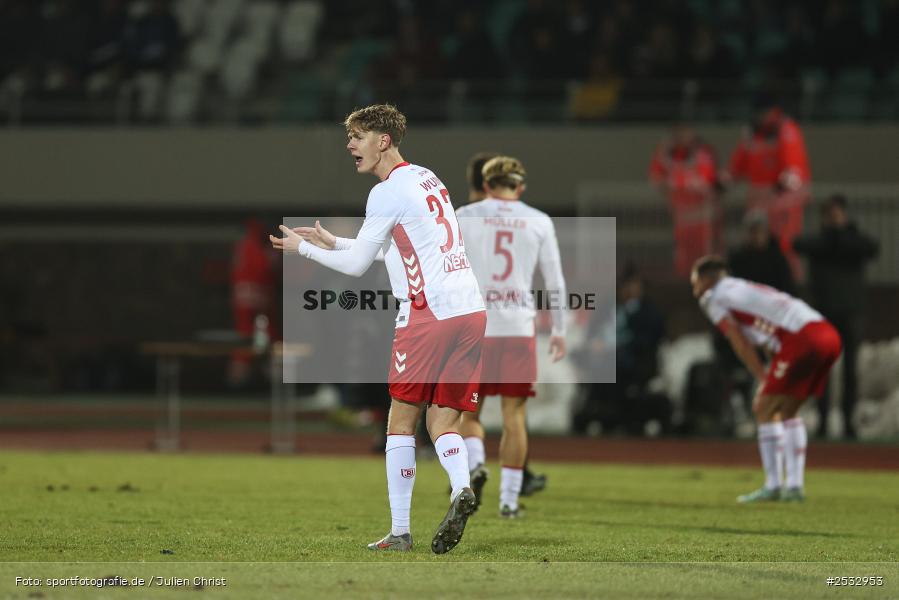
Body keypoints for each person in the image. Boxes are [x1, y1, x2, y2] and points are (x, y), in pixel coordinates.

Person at [270, 104, 485, 554]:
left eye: (359, 135)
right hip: (470, 310)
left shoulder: (385, 192)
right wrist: (335, 240)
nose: (350, 144)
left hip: (428, 314)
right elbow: (402, 249)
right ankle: (461, 487)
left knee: (400, 422)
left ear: (383, 140)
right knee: (444, 418)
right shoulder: (427, 178)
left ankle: (401, 532)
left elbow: (355, 267)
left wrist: (302, 252)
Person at [455, 155, 567, 518]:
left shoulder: (465, 216)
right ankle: (508, 501)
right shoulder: (538, 220)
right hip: (518, 328)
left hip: (476, 326)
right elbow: (555, 281)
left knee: (467, 413)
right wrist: (561, 330)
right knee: (514, 416)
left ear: (485, 186)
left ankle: (473, 469)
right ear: (520, 187)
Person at [691, 256, 842, 503]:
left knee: (763, 406)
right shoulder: (743, 287)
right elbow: (769, 337)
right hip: (828, 335)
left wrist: (761, 376)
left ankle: (773, 486)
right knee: (788, 411)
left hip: (802, 339)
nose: (694, 289)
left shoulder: (713, 297)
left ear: (707, 280)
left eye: (694, 282)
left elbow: (737, 339)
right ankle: (794, 487)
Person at [794, 194, 879, 438]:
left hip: (851, 312)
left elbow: (871, 247)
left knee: (851, 371)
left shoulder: (854, 242)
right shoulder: (819, 242)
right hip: (824, 313)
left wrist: (840, 236)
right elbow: (799, 244)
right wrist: (832, 236)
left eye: (837, 213)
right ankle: (822, 423)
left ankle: (849, 422)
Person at [726, 97, 810, 279]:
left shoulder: (786, 130)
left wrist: (786, 182)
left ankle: (789, 282)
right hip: (760, 201)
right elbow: (739, 163)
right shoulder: (752, 133)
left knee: (784, 244)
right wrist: (725, 180)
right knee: (756, 242)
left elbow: (793, 163)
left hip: (783, 200)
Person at [649, 124, 722, 277]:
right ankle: (683, 283)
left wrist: (679, 183)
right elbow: (656, 178)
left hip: (703, 218)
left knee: (704, 255)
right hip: (681, 218)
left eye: (686, 133)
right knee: (682, 256)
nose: (682, 137)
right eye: (679, 133)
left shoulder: (703, 154)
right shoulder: (666, 154)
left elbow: (706, 183)